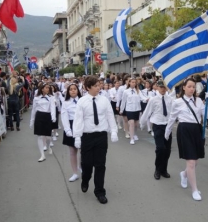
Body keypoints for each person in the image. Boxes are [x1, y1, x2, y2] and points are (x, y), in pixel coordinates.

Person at [73, 76, 118, 204]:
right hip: (87, 136)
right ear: (88, 87)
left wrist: (113, 131)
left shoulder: (104, 100)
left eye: (99, 85)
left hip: (101, 136)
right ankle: (85, 179)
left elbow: (110, 115)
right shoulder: (82, 101)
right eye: (96, 86)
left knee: (100, 165)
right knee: (86, 164)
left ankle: (99, 191)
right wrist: (77, 136)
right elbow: (78, 120)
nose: (99, 88)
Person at [165, 78, 208, 201]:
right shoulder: (178, 102)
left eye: (193, 87)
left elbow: (207, 116)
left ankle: (184, 174)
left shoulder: (198, 101)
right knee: (191, 162)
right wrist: (167, 131)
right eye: (189, 86)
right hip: (184, 130)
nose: (192, 89)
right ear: (184, 87)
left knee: (195, 161)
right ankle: (195, 190)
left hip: (197, 130)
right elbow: (172, 117)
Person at [140, 80, 173, 180]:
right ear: (157, 88)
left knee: (167, 150)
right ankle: (157, 169)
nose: (163, 89)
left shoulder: (170, 99)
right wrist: (142, 123)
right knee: (160, 149)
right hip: (158, 126)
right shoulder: (153, 100)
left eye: (164, 87)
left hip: (168, 126)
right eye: (161, 87)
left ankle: (164, 169)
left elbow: (174, 112)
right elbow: (147, 112)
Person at [30, 83, 56, 162]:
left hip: (47, 116)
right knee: (40, 136)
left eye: (48, 88)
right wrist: (32, 121)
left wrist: (53, 116)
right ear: (42, 89)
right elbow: (34, 110)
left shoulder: (51, 97)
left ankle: (48, 147)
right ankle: (42, 155)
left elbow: (52, 107)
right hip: (39, 116)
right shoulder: (36, 98)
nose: (48, 89)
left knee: (48, 137)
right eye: (46, 88)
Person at [61, 83, 82, 182]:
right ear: (68, 92)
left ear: (78, 90)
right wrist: (67, 130)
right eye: (71, 89)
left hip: (81, 126)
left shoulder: (82, 101)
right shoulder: (65, 103)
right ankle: (74, 173)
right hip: (70, 125)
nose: (73, 91)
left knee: (83, 150)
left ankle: (81, 166)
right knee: (72, 151)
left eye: (75, 89)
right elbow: (64, 117)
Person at [119, 78, 148, 145]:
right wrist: (121, 110)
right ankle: (132, 138)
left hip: (137, 109)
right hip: (129, 109)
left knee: (136, 124)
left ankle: (134, 134)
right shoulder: (126, 91)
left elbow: (142, 98)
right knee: (131, 123)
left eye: (135, 82)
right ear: (129, 83)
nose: (133, 83)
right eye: (132, 82)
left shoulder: (138, 91)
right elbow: (123, 101)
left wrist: (147, 99)